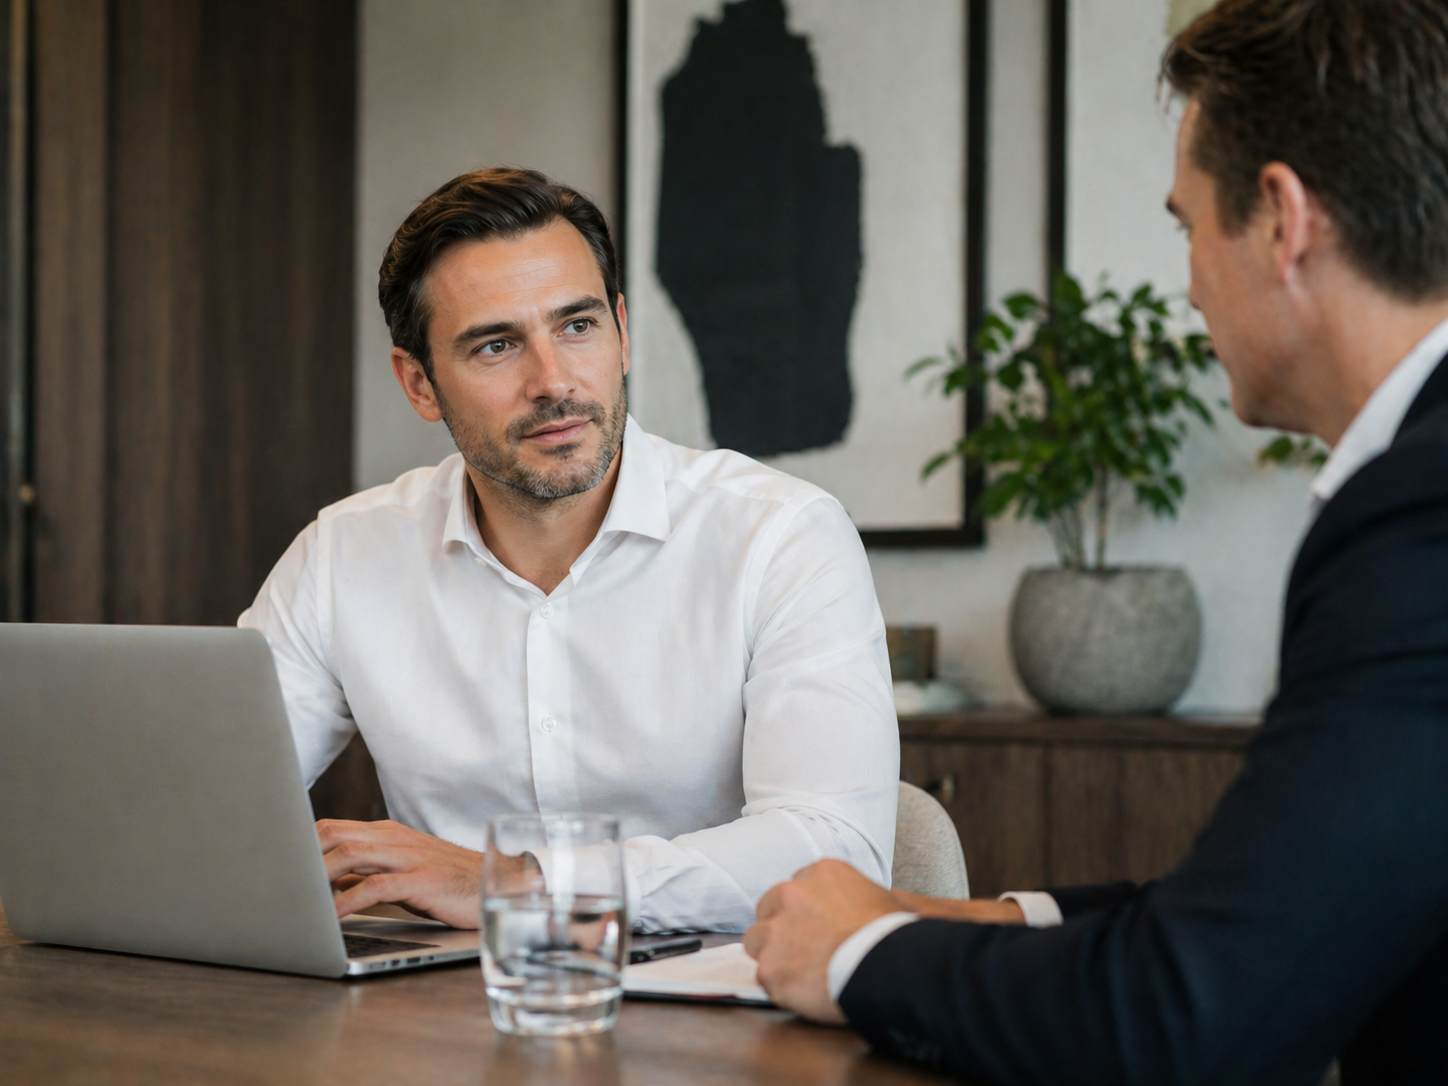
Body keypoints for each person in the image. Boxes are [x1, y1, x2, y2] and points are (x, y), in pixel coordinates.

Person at [744, 0, 1448, 1081]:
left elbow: (1192, 1010)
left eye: (1185, 224)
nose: (1187, 283)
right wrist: (976, 919)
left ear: (1280, 217)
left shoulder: (1416, 513)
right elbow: (1287, 903)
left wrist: (861, 954)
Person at [239, 168, 899, 934]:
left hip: (719, 1011)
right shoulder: (341, 557)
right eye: (496, 346)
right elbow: (207, 803)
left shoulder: (781, 537)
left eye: (578, 327)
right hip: (439, 1016)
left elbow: (835, 858)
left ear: (621, 333)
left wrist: (518, 884)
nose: (553, 382)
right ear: (419, 385)